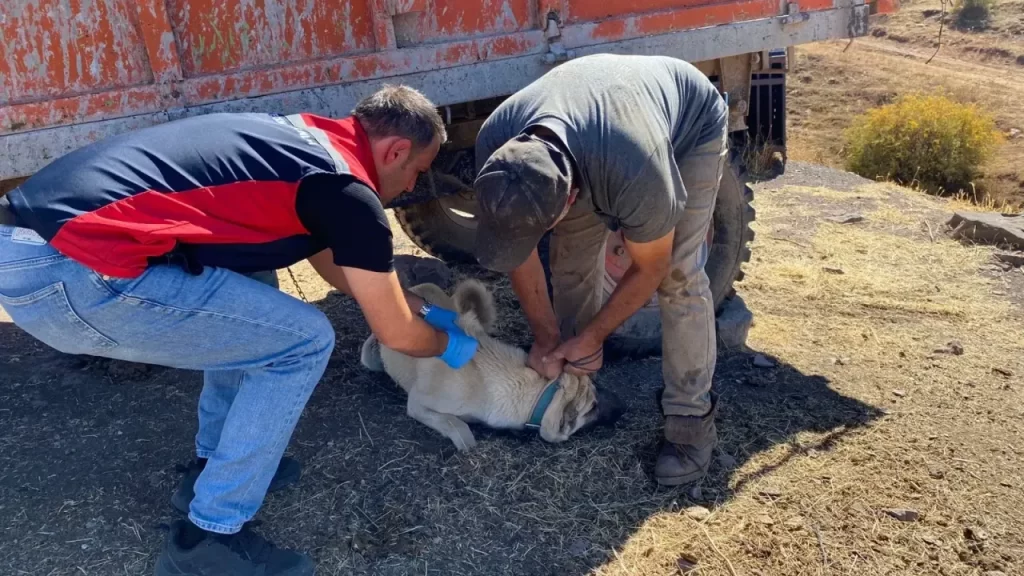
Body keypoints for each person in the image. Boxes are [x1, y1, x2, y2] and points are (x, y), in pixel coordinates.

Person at [0, 85, 477, 575]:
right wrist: (456, 347)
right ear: (395, 151)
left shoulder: (307, 144)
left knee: (255, 283)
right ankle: (209, 535)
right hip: (69, 271)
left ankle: (212, 466)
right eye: (417, 171)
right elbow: (396, 335)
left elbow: (339, 267)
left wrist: (421, 306)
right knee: (304, 342)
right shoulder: (348, 193)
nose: (411, 186)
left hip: (24, 246)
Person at [472, 53, 729, 487]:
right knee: (570, 262)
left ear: (569, 199)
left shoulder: (639, 170)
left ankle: (690, 423)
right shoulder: (497, 146)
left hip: (688, 126)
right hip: (592, 134)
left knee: (680, 277)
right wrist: (547, 338)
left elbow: (652, 266)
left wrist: (593, 336)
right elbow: (521, 255)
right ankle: (575, 383)